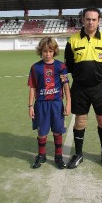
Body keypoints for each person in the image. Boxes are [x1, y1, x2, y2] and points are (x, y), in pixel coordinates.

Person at [64, 7, 102, 169]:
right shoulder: (72, 40)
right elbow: (68, 65)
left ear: (99, 21)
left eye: (94, 19)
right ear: (83, 20)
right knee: (80, 121)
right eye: (88, 19)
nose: (90, 22)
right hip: (80, 88)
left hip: (101, 88)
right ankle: (78, 154)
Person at [28, 37, 71, 169]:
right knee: (42, 132)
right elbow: (32, 87)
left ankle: (58, 156)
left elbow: (65, 85)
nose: (47, 54)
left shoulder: (61, 66)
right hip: (41, 104)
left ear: (54, 51)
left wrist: (68, 102)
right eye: (45, 51)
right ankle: (41, 155)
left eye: (50, 51)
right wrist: (30, 106)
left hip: (56, 104)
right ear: (41, 51)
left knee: (58, 131)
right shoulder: (35, 67)